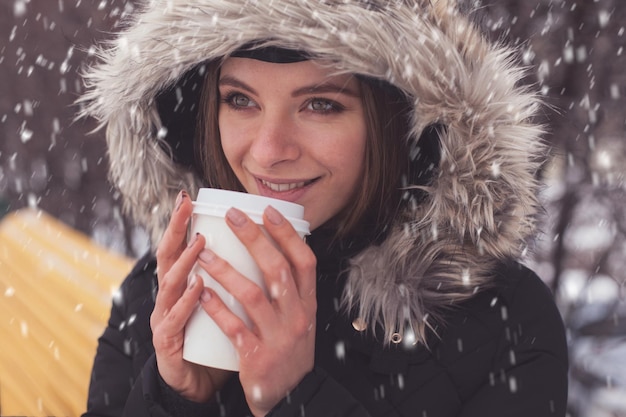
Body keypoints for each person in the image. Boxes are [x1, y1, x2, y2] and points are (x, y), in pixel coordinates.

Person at [78, 0, 568, 416]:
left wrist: (296, 398)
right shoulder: (160, 290)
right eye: (240, 99)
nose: (269, 151)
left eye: (321, 105)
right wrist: (172, 397)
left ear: (400, 125)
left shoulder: (502, 318)